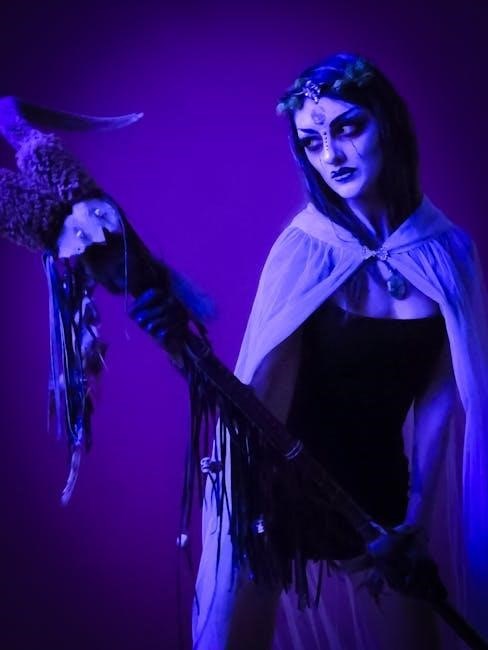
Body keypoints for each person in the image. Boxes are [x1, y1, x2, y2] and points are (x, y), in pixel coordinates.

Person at [172, 52, 487, 649]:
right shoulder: (308, 248)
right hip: (280, 488)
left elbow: (441, 398)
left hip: (378, 495)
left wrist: (415, 521)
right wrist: (186, 355)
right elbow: (267, 389)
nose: (332, 156)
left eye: (348, 128)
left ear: (386, 123)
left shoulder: (449, 254)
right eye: (312, 142)